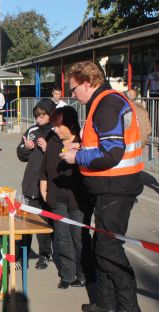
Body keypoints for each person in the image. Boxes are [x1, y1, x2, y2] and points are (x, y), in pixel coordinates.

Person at [61, 61, 144, 312]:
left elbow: (111, 153)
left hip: (117, 187)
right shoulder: (103, 102)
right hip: (109, 187)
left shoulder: (107, 104)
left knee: (108, 248)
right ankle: (106, 303)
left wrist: (76, 157)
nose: (73, 95)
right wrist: (82, 148)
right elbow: (103, 144)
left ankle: (130, 307)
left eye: (73, 89)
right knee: (102, 245)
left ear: (87, 83)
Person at [40, 106, 90, 289]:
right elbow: (44, 169)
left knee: (79, 236)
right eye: (54, 125)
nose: (56, 129)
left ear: (70, 124)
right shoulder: (53, 142)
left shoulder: (84, 143)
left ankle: (84, 273)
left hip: (79, 198)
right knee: (62, 237)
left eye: (59, 126)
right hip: (57, 197)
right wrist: (44, 188)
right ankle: (68, 275)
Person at [17, 98, 57, 270]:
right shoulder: (32, 130)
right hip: (30, 184)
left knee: (44, 223)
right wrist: (26, 148)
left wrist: (48, 148)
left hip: (47, 186)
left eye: (42, 116)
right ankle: (22, 256)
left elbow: (61, 156)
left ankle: (45, 254)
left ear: (51, 115)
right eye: (37, 116)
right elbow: (20, 155)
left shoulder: (56, 131)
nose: (38, 119)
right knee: (26, 224)